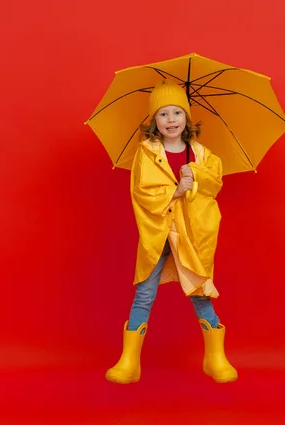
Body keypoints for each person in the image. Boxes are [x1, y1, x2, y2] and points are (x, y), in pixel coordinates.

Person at [105, 79, 237, 384]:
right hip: (158, 233)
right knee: (144, 294)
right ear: (154, 121)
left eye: (177, 113)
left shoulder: (202, 155)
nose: (171, 120)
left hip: (190, 235)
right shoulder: (146, 152)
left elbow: (214, 185)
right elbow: (141, 191)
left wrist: (198, 177)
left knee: (200, 292)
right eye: (163, 114)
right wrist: (176, 190)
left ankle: (215, 358)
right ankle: (129, 362)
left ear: (187, 118)